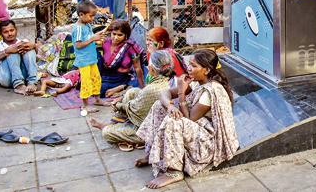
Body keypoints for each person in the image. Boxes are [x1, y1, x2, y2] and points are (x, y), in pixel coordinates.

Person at [136, 49, 239, 189]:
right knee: (160, 106)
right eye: (189, 64)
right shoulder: (197, 82)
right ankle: (153, 153)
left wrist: (181, 93)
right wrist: (170, 106)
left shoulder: (211, 90)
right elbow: (164, 94)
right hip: (195, 130)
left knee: (174, 120)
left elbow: (189, 119)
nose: (189, 68)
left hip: (207, 141)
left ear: (207, 70)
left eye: (194, 66)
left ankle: (174, 171)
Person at [88, 50, 173, 150]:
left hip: (150, 131)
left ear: (151, 69)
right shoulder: (170, 81)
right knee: (132, 92)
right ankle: (116, 124)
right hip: (151, 116)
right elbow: (140, 97)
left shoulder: (152, 89)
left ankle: (108, 127)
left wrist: (117, 105)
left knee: (106, 133)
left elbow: (133, 109)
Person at [73, 0, 107, 114]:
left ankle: (97, 99)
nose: (92, 19)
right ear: (81, 15)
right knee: (86, 81)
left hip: (91, 58)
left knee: (96, 78)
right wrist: (93, 39)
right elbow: (78, 45)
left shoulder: (87, 25)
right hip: (84, 61)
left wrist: (97, 39)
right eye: (91, 16)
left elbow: (89, 39)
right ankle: (85, 104)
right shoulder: (78, 28)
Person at [0, 20, 38, 95]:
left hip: (24, 77)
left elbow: (35, 59)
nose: (10, 34)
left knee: (29, 50)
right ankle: (18, 85)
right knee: (12, 52)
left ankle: (32, 83)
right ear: (0, 34)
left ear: (16, 29)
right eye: (6, 32)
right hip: (6, 77)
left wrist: (34, 46)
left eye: (12, 30)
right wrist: (7, 51)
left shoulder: (24, 42)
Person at [99, 19, 146, 98]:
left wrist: (142, 88)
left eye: (120, 35)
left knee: (136, 84)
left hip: (122, 78)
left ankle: (123, 86)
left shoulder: (130, 47)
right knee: (96, 90)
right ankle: (122, 88)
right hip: (106, 76)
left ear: (126, 35)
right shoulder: (105, 43)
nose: (116, 37)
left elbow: (137, 68)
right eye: (114, 34)